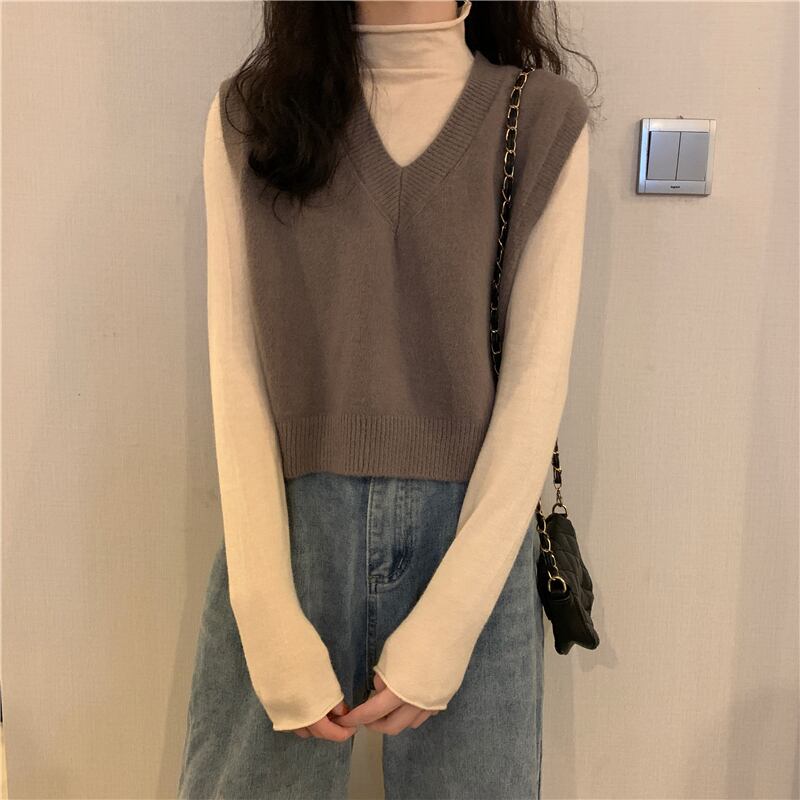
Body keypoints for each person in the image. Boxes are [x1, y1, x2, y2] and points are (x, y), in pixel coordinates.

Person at [178, 1, 595, 797]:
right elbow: (237, 372)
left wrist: (450, 622)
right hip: (288, 542)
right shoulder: (251, 117)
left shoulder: (540, 118)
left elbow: (535, 388)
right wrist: (265, 613)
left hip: (472, 551)